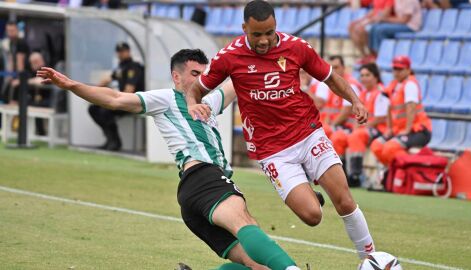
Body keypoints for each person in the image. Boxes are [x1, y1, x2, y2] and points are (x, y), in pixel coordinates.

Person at [37, 49, 301, 270]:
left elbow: (237, 79)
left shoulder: (210, 100)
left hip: (192, 197)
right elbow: (116, 99)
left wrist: (265, 52)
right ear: (176, 76)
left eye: (204, 74)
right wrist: (71, 85)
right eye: (194, 74)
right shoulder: (165, 99)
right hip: (203, 177)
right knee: (246, 223)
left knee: (257, 265)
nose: (201, 79)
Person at [187, 0, 375, 260]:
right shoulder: (229, 56)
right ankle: (308, 192)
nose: (264, 40)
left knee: (344, 200)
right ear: (244, 28)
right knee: (312, 216)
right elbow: (196, 88)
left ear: (276, 26)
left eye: (269, 32)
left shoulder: (296, 48)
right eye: (256, 35)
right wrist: (192, 105)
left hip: (308, 134)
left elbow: (330, 77)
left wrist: (355, 100)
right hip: (272, 150)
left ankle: (371, 259)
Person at [370, 56, 432, 167]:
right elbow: (389, 109)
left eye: (400, 69)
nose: (397, 72)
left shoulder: (410, 84)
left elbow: (411, 108)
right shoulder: (394, 85)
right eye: (395, 69)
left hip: (418, 130)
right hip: (400, 130)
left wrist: (407, 129)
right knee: (377, 145)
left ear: (408, 70)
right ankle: (392, 173)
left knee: (391, 147)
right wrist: (389, 128)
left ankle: (406, 173)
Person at [309, 56, 363, 169]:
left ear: (344, 68)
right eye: (331, 68)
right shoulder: (331, 84)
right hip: (336, 125)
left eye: (337, 67)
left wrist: (331, 125)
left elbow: (346, 112)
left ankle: (342, 171)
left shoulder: (350, 85)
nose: (334, 71)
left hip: (348, 126)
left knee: (327, 134)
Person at [89, 42, 145, 151]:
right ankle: (110, 138)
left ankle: (115, 142)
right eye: (119, 52)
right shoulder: (121, 67)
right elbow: (107, 79)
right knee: (93, 109)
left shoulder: (134, 67)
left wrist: (115, 98)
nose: (121, 54)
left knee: (105, 111)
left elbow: (129, 90)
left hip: (134, 102)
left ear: (128, 51)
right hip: (123, 100)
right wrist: (93, 91)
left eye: (123, 51)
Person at [346, 63, 389, 187]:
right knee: (344, 137)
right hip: (367, 128)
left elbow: (381, 118)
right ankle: (344, 173)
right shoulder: (364, 93)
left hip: (380, 129)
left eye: (367, 75)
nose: (364, 78)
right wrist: (356, 126)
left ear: (375, 77)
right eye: (362, 75)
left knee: (356, 136)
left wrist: (363, 126)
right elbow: (357, 116)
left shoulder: (381, 92)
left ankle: (355, 175)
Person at [2, 20, 30, 104]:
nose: (9, 33)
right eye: (8, 31)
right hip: (16, 74)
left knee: (14, 100)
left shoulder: (21, 42)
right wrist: (9, 75)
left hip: (25, 75)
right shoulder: (11, 42)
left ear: (17, 30)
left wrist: (18, 80)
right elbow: (11, 61)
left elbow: (20, 64)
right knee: (5, 94)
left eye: (12, 31)